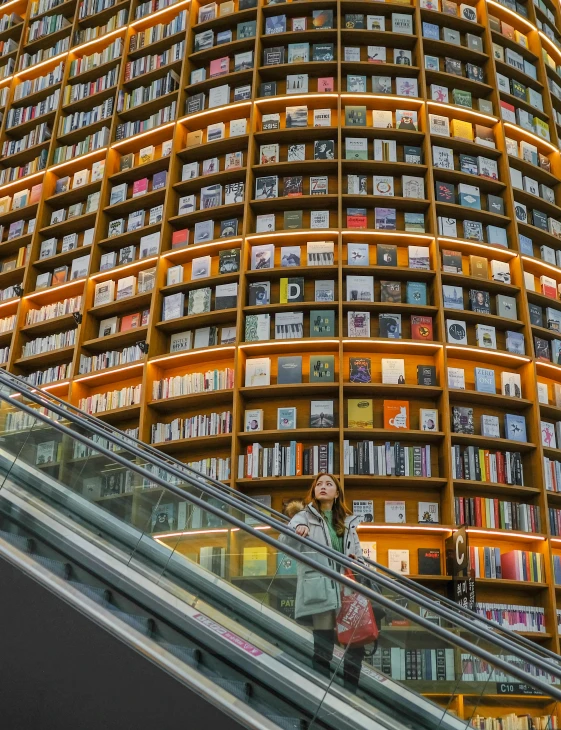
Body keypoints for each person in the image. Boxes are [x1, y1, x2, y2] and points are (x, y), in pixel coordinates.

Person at [283, 473, 379, 692]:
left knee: (355, 646)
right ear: (314, 491)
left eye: (329, 484)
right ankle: (321, 692)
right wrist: (297, 532)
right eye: (319, 484)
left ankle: (349, 692)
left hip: (347, 589)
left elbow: (359, 558)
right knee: (323, 644)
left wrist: (356, 562)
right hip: (321, 587)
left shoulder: (347, 522)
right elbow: (284, 540)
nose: (323, 487)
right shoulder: (304, 516)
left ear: (337, 494)